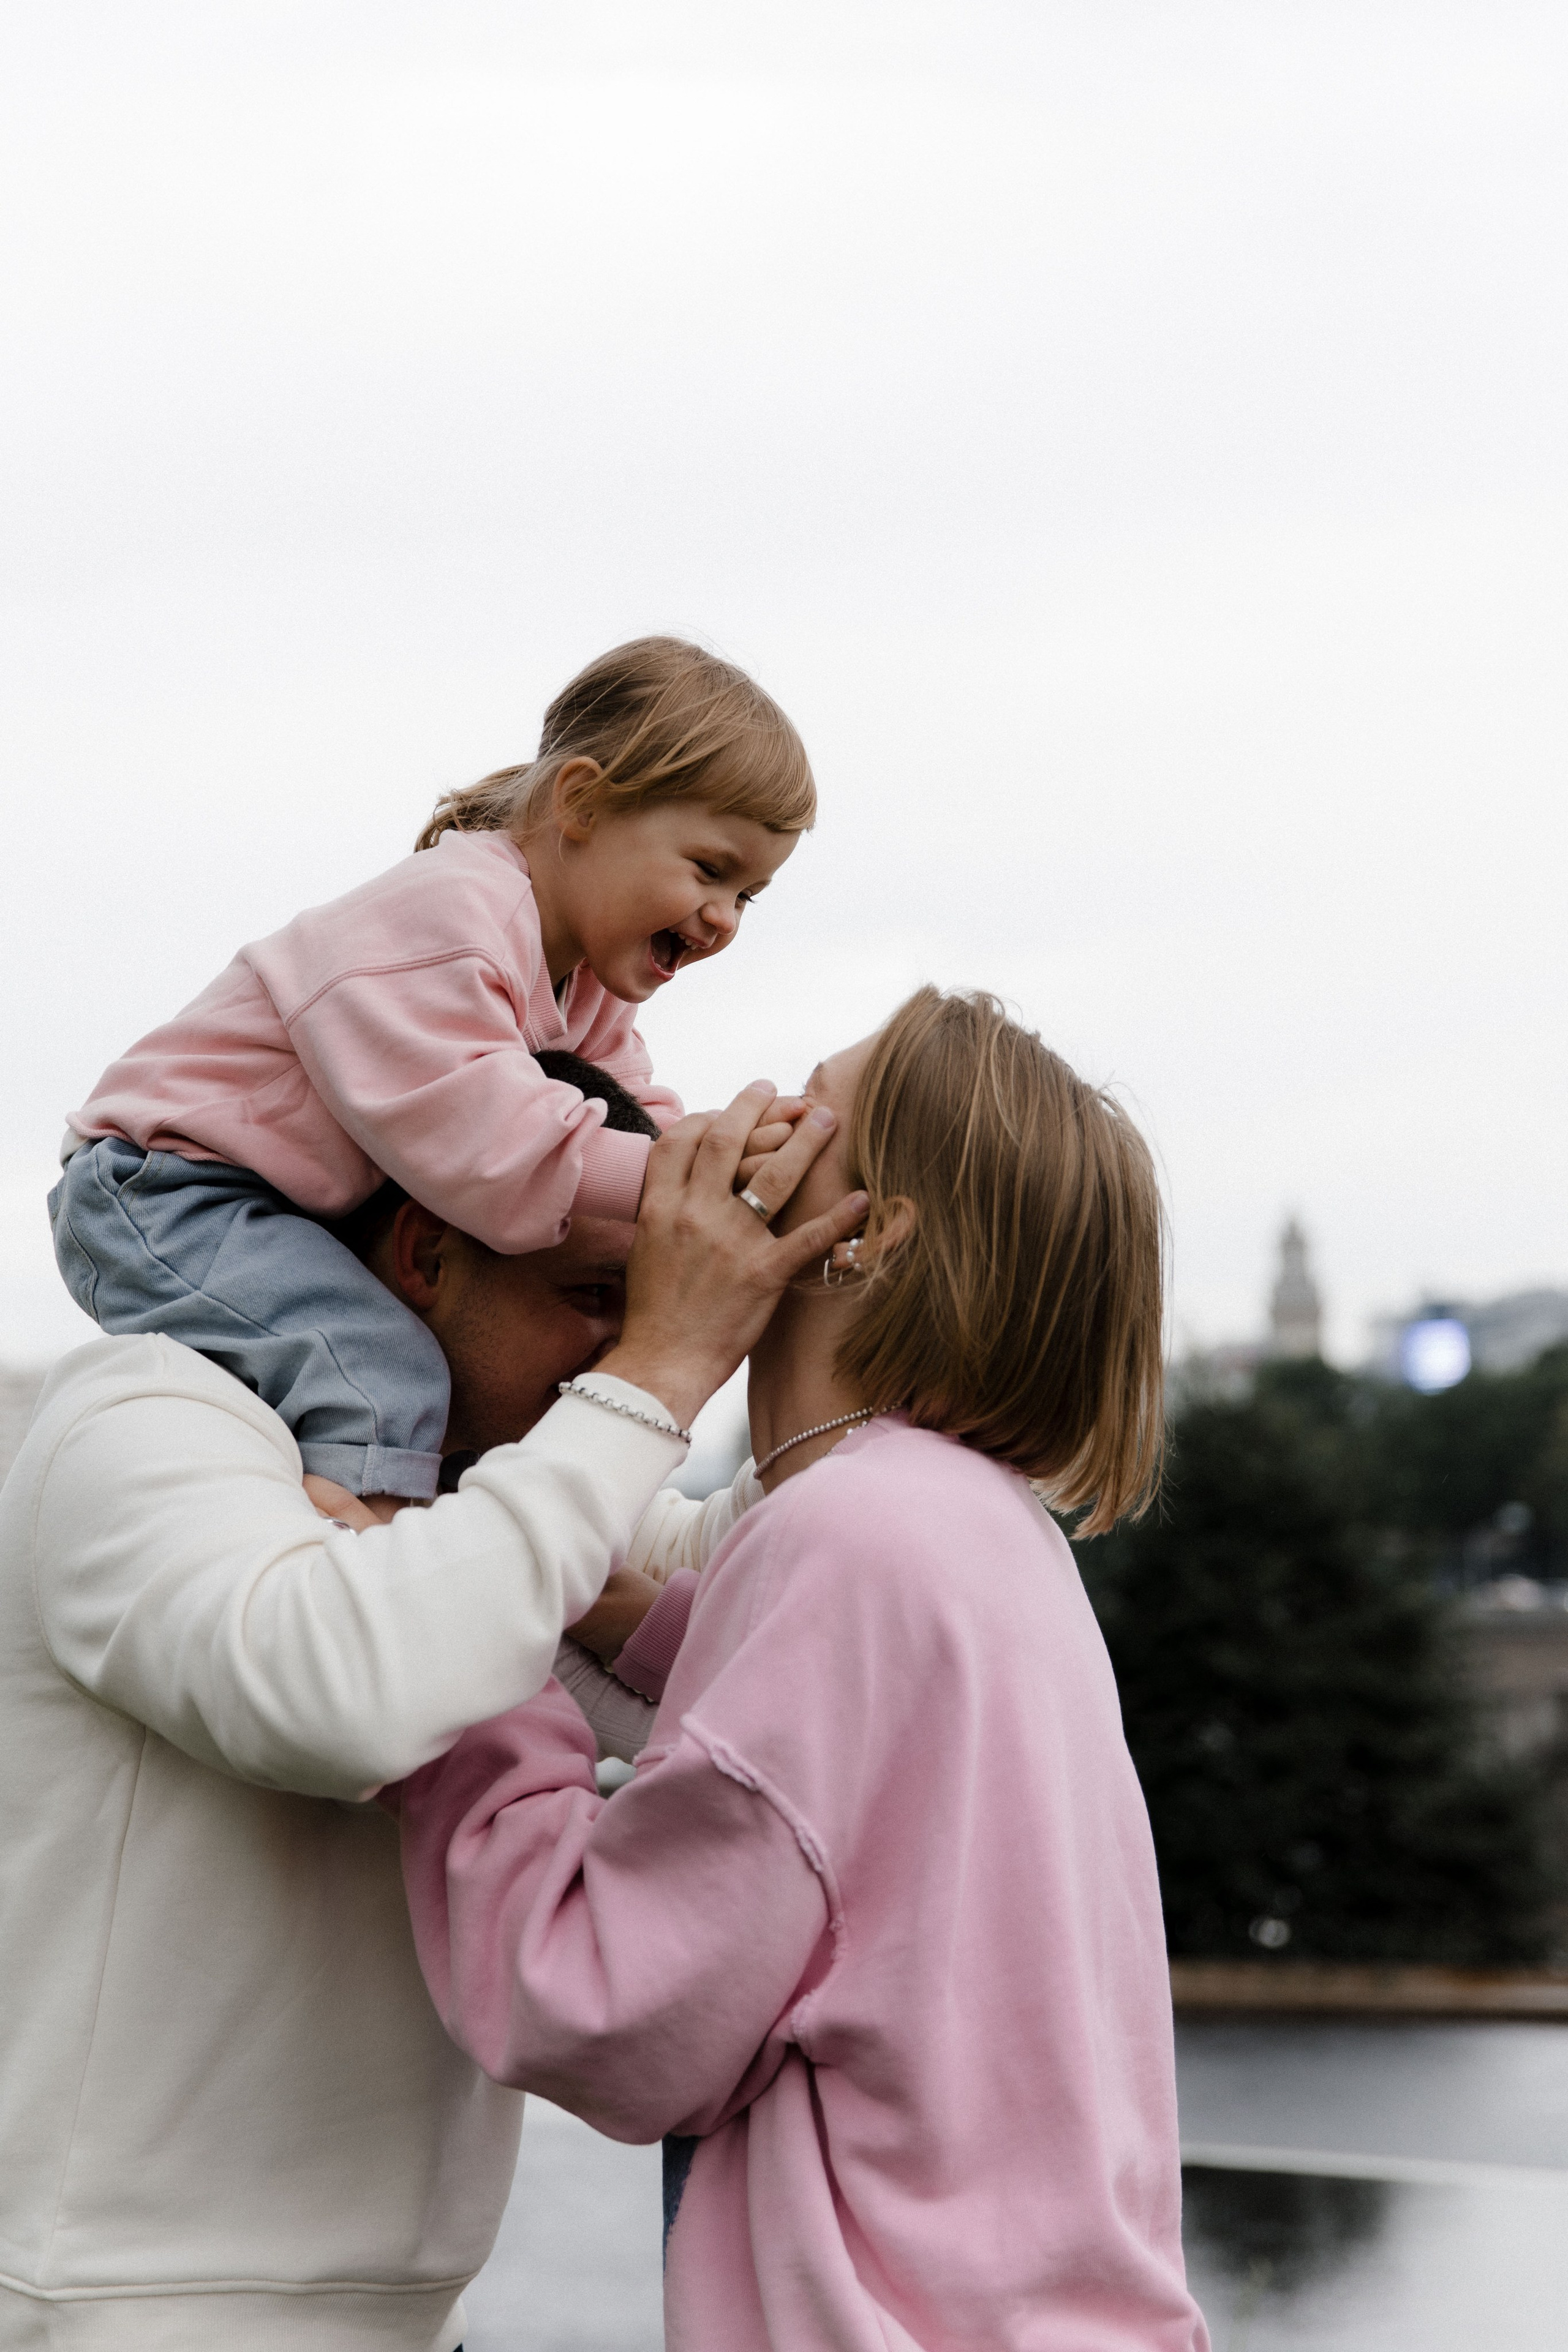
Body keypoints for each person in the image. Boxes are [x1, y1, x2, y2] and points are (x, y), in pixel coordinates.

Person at [396, 988, 1212, 2352]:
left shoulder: (843, 1541)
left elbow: (600, 2005)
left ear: (863, 1236)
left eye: (812, 1096)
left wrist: (457, 1666)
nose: (759, 1107)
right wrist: (633, 1625)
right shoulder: (977, 1532)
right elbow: (851, 1822)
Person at [0, 1071, 864, 2351]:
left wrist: (826, 1301)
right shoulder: (147, 1417)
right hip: (125, 2313)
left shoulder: (490, 1489)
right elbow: (343, 1699)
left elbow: (768, 1619)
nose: (613, 1357)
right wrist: (665, 1360)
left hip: (414, 2322)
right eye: (593, 1301)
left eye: (643, 1316)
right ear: (424, 1255)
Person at [48, 635, 813, 1502]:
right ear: (584, 803)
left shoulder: (587, 983)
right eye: (711, 871)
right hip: (165, 1189)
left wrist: (738, 1168)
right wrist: (690, 1181)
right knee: (382, 1375)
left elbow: (634, 1118)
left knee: (433, 1388)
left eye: (747, 895)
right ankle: (363, 1575)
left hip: (273, 1206)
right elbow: (499, 1146)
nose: (723, 920)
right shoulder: (449, 916)